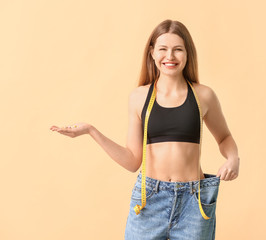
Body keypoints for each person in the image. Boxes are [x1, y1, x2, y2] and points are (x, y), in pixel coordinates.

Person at [50, 19, 240, 240]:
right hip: (150, 200)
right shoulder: (139, 97)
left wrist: (233, 158)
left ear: (187, 54)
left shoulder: (203, 96)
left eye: (178, 49)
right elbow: (132, 161)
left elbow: (225, 137)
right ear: (152, 53)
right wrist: (91, 131)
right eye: (163, 49)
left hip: (193, 201)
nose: (170, 56)